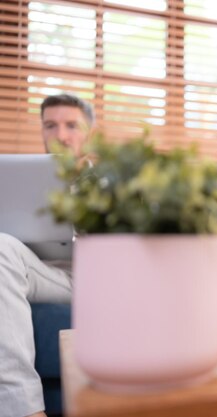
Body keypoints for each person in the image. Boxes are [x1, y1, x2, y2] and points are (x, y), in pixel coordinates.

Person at [0, 94, 94, 417]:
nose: (61, 135)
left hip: (85, 278)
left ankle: (22, 408)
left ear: (88, 132)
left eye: (71, 125)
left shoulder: (107, 184)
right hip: (31, 271)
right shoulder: (16, 179)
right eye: (50, 125)